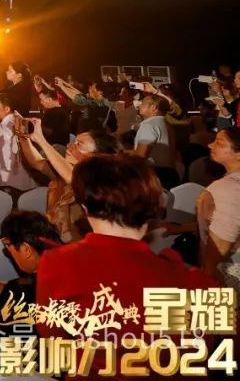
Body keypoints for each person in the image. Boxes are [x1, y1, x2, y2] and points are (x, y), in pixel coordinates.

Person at [36, 156, 213, 373]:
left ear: (84, 208)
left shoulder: (58, 263)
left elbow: (53, 335)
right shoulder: (197, 283)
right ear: (151, 212)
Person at [17, 121, 121, 242]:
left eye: (79, 144)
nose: (69, 146)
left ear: (96, 156)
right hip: (56, 241)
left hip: (82, 246)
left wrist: (41, 140)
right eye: (73, 142)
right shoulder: (62, 171)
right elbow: (36, 162)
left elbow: (73, 178)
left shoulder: (100, 184)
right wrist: (23, 135)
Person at [0, 211, 62, 371]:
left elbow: (6, 357)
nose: (8, 252)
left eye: (8, 246)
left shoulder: (17, 292)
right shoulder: (73, 270)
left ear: (26, 250)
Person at [197, 128, 240, 290]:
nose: (210, 145)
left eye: (219, 143)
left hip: (228, 269)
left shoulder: (228, 188)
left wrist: (208, 272)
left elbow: (221, 241)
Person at [0, 92, 37, 197]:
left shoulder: (8, 124)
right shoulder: (15, 120)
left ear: (7, 109)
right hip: (13, 176)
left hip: (10, 178)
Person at [133, 92, 179, 188]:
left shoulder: (149, 124)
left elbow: (140, 155)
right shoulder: (167, 124)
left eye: (143, 103)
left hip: (154, 175)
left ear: (153, 107)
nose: (139, 106)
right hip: (170, 174)